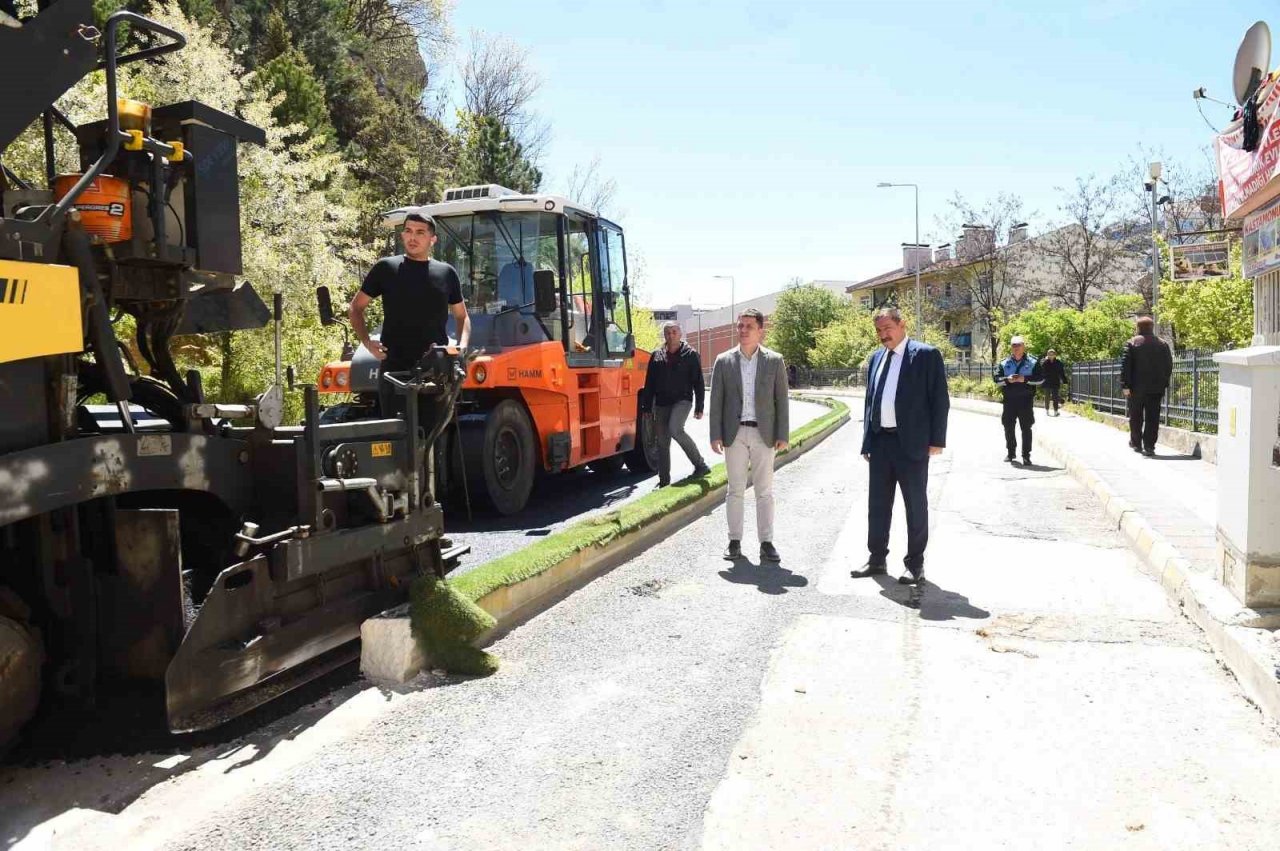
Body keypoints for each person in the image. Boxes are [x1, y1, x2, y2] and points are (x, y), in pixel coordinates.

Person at [850, 307, 949, 587]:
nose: (883, 335)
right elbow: (871, 401)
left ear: (902, 324)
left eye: (887, 328)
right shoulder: (876, 358)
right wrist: (868, 440)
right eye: (879, 331)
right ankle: (876, 558)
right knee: (878, 505)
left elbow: (939, 399)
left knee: (915, 505)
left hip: (913, 444)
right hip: (881, 442)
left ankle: (915, 565)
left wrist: (937, 441)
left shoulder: (926, 355)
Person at [349, 213, 471, 416]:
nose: (412, 237)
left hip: (436, 372)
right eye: (408, 231)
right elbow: (355, 308)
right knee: (396, 441)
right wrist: (367, 343)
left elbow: (462, 316)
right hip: (394, 370)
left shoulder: (447, 273)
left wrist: (461, 348)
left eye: (420, 232)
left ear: (433, 239)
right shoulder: (386, 268)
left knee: (434, 441)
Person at [709, 309, 790, 563]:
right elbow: (717, 400)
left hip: (763, 434)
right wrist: (715, 434)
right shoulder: (724, 361)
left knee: (764, 491)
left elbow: (781, 400)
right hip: (734, 435)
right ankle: (734, 541)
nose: (743, 330)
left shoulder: (774, 361)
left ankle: (766, 542)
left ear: (760, 330)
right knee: (735, 489)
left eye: (749, 326)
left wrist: (782, 433)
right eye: (740, 326)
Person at [642, 322, 710, 487]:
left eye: (674, 332)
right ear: (664, 335)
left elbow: (698, 382)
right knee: (662, 441)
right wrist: (646, 407)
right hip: (661, 403)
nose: (670, 335)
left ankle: (700, 465)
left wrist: (699, 407)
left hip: (683, 400)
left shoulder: (691, 354)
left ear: (680, 334)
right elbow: (649, 383)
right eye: (667, 332)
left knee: (675, 429)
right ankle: (664, 482)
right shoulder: (657, 355)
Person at [1120, 316, 1173, 457]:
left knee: (1135, 416)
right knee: (1153, 417)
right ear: (1152, 327)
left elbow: (1126, 366)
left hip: (1135, 388)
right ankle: (1149, 446)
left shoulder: (1132, 343)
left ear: (1138, 327)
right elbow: (1168, 366)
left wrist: (1125, 385)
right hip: (1156, 389)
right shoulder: (1163, 344)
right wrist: (1164, 383)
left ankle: (1136, 443)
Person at [993, 335, 1043, 464]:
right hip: (1009, 401)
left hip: (1025, 400)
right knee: (1008, 427)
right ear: (1011, 347)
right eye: (1013, 345)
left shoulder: (1032, 362)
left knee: (1026, 428)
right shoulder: (1004, 363)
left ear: (1023, 346)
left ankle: (1026, 455)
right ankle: (1011, 453)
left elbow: (1041, 378)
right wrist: (1007, 379)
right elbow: (996, 379)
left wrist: (1025, 379)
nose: (1016, 348)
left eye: (1018, 345)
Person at [1041, 348, 1068, 416]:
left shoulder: (1059, 363)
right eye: (1049, 354)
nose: (1051, 355)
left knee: (1055, 397)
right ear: (1047, 355)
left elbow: (1061, 372)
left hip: (1055, 381)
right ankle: (1047, 410)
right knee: (1047, 396)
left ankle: (1055, 411)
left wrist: (1064, 380)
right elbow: (1041, 372)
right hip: (1047, 381)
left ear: (1055, 355)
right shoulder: (1045, 363)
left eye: (1052, 354)